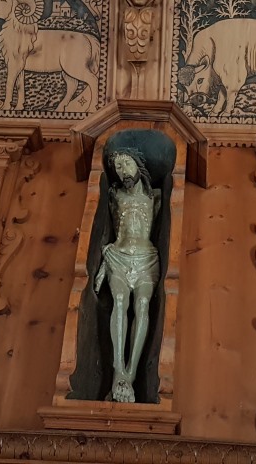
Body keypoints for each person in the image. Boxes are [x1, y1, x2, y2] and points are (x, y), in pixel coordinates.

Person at [94, 148, 161, 403]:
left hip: (146, 258)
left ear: (138, 165)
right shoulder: (114, 195)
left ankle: (130, 375)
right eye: (118, 167)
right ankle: (118, 370)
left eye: (127, 164)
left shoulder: (156, 196)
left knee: (142, 304)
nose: (123, 171)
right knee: (119, 302)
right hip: (119, 257)